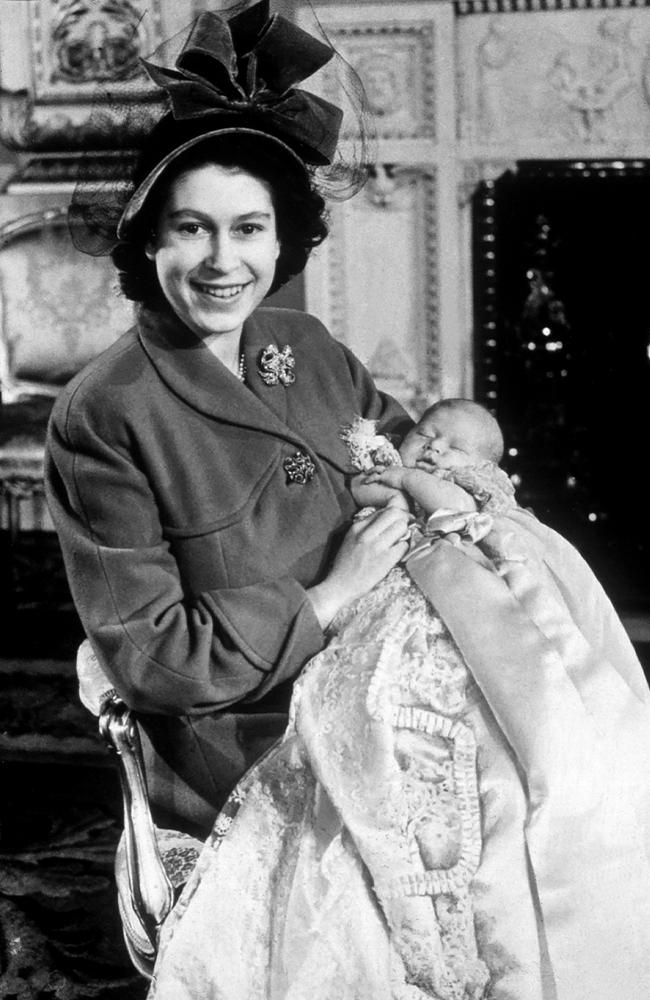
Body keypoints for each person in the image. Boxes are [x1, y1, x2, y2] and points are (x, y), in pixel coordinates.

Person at [45, 0, 412, 838]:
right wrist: (327, 600)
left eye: (248, 228)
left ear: (283, 242)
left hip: (386, 695)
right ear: (147, 244)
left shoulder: (310, 345)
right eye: (191, 229)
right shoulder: (102, 414)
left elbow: (405, 458)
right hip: (250, 748)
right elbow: (153, 657)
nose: (222, 261)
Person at [146, 400, 650, 999]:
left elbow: (461, 512)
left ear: (485, 465)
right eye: (428, 436)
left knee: (494, 705)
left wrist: (413, 480)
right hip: (381, 607)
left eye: (455, 447)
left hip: (460, 601)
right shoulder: (384, 475)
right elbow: (360, 491)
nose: (436, 450)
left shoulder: (469, 496)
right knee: (366, 698)